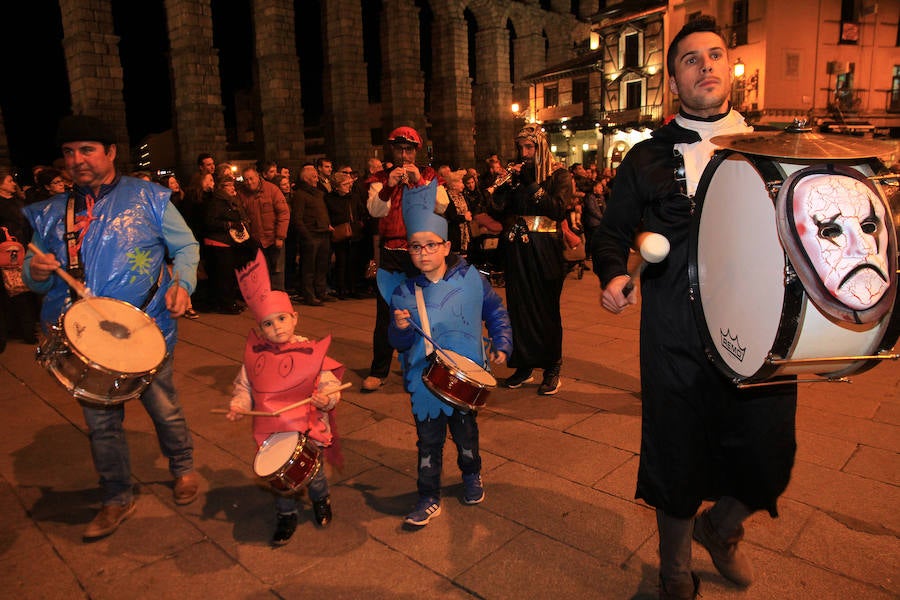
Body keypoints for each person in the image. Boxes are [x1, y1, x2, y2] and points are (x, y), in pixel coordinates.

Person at [591, 17, 797, 599]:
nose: (705, 65)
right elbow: (610, 234)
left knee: (770, 452)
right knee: (676, 451)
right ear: (674, 83)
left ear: (729, 68)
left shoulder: (773, 151)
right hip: (674, 330)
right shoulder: (646, 158)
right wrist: (612, 275)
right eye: (690, 59)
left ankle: (721, 529)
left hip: (763, 331)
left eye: (715, 55)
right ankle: (675, 571)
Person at [23, 115, 201, 541]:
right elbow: (36, 279)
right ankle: (117, 496)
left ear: (110, 153)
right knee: (102, 425)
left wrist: (182, 283)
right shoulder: (52, 213)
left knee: (165, 409)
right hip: (88, 343)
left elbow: (186, 246)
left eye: (87, 150)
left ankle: (182, 468)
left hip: (146, 330)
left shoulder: (150, 198)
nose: (77, 160)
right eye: (69, 152)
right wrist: (38, 268)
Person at [386, 179, 511, 526]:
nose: (423, 253)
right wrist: (397, 329)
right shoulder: (404, 293)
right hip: (423, 383)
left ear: (446, 246)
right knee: (428, 443)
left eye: (430, 245)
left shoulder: (471, 279)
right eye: (415, 247)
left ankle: (471, 473)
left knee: (466, 435)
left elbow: (495, 311)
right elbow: (395, 344)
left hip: (464, 376)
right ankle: (428, 495)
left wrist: (502, 343)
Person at [226, 250, 344, 544]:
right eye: (268, 323)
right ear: (259, 329)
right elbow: (245, 385)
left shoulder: (309, 350)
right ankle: (286, 515)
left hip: (308, 428)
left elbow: (329, 384)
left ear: (294, 318)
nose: (276, 326)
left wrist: (325, 399)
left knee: (313, 473)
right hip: (274, 433)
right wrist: (240, 403)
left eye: (281, 319)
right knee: (281, 481)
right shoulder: (256, 357)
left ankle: (321, 499)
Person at [362, 126, 448, 392]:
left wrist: (420, 183)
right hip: (391, 253)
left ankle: (423, 367)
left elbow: (442, 205)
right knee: (387, 314)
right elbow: (375, 210)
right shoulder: (379, 177)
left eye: (408, 149)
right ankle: (379, 370)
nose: (403, 154)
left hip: (422, 252)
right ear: (392, 150)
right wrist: (388, 186)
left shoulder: (429, 175)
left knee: (424, 311)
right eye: (398, 149)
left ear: (415, 152)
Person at [491, 125, 572, 395]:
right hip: (518, 248)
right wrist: (500, 189)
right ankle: (524, 366)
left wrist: (532, 184)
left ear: (542, 147)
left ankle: (552, 368)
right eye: (521, 147)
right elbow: (500, 210)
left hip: (546, 248)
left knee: (546, 309)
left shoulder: (559, 174)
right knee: (519, 308)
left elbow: (558, 210)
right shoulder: (519, 175)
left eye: (530, 147)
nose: (524, 153)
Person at [237, 167, 289, 290]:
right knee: (261, 272)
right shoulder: (242, 194)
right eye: (246, 179)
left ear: (258, 177)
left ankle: (278, 300)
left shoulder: (272, 190)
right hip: (256, 241)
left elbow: (283, 213)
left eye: (251, 178)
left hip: (273, 238)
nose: (249, 182)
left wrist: (280, 236)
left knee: (277, 271)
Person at [293, 163, 333, 305]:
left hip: (323, 234)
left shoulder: (318, 194)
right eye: (314, 177)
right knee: (309, 267)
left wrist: (326, 224)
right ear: (306, 178)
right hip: (311, 235)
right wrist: (307, 236)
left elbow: (322, 212)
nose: (317, 179)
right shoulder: (300, 195)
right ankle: (309, 295)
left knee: (322, 266)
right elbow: (297, 218)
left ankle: (320, 292)